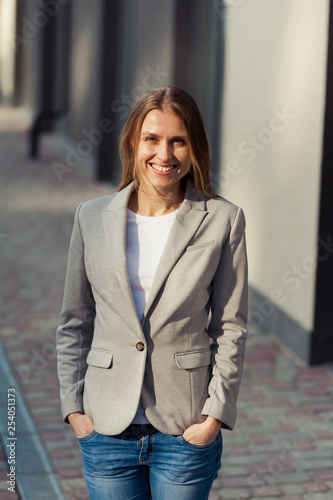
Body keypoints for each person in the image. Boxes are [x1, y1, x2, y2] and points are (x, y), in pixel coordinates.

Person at [56, 86, 248, 500]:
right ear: (132, 143)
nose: (165, 154)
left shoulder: (222, 220)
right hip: (106, 427)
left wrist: (214, 415)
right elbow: (75, 321)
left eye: (178, 140)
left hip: (184, 428)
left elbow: (231, 327)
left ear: (194, 147)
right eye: (152, 139)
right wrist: (73, 408)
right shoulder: (90, 217)